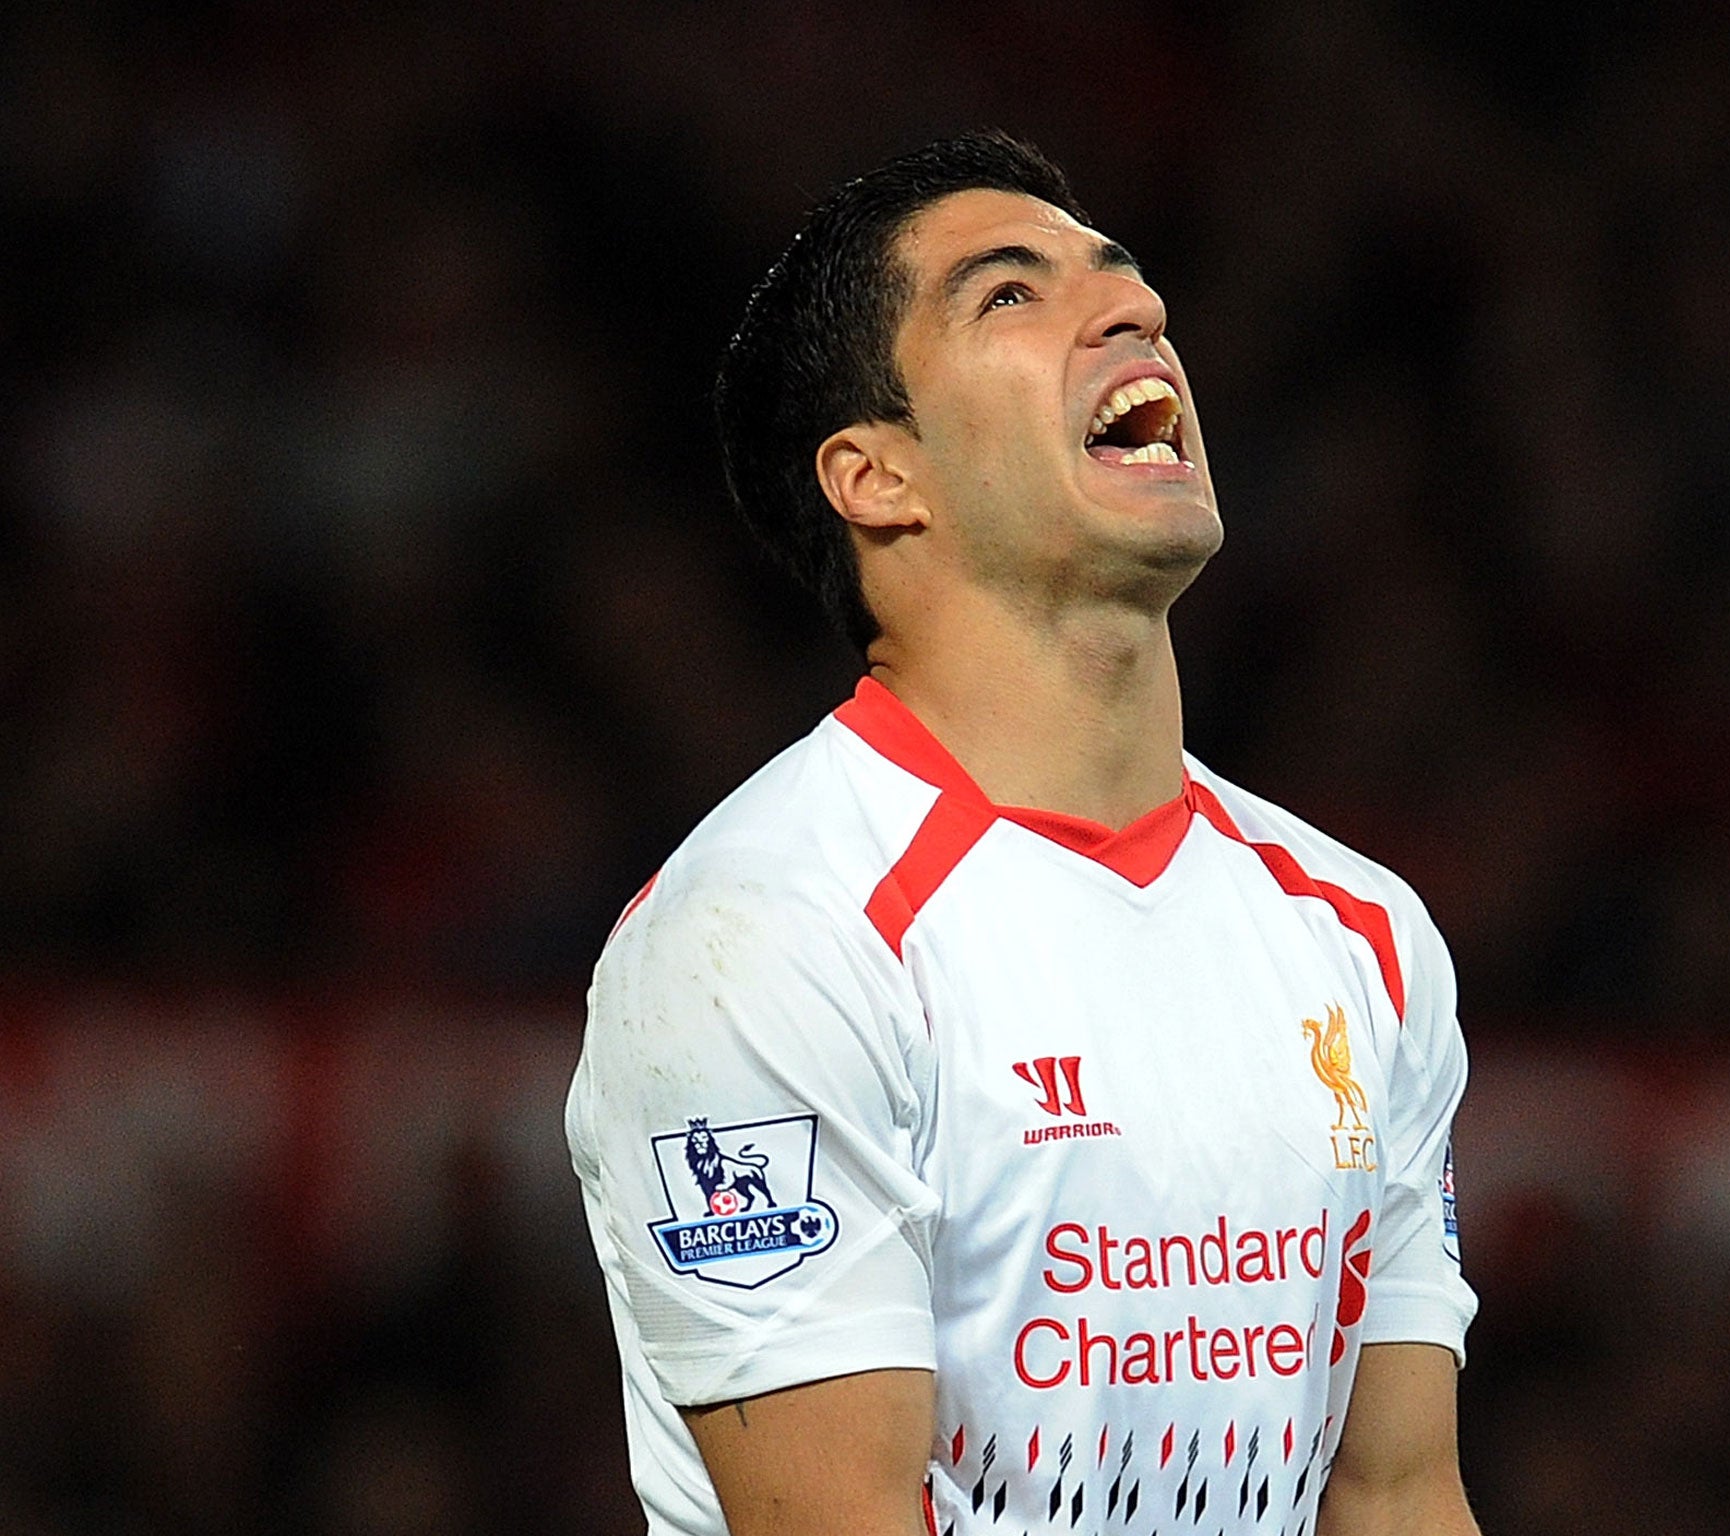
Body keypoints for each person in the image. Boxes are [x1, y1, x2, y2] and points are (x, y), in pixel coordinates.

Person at [565, 130, 1480, 1536]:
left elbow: (1399, 1497)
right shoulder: (763, 941)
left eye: (1121, 276)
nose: (1138, 311)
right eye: (1009, 295)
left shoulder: (1359, 934)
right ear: (877, 478)